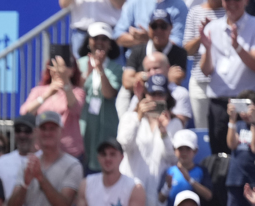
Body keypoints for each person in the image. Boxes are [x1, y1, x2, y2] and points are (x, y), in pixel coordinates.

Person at [6, 110, 84, 206]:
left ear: (61, 132)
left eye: (52, 129)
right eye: (43, 129)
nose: (47, 133)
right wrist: (25, 184)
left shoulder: (73, 165)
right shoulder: (27, 163)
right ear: (36, 132)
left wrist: (40, 177)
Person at [200, 0, 255, 155]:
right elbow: (206, 70)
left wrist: (237, 46)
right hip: (219, 103)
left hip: (247, 103)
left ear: (245, 1)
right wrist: (207, 48)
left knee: (248, 155)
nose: (232, 3)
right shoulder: (212, 28)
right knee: (220, 156)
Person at [119, 75, 183, 206]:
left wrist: (163, 131)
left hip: (157, 189)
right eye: (152, 94)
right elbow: (125, 144)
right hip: (132, 184)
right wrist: (138, 117)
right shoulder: (130, 117)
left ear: (167, 97)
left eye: (160, 95)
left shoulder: (174, 123)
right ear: (144, 95)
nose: (155, 99)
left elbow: (172, 158)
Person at [20, 54, 87, 162]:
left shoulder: (77, 92)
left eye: (65, 66)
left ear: (73, 70)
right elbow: (25, 114)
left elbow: (75, 108)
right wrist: (47, 94)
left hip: (70, 154)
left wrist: (65, 83)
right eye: (55, 66)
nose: (60, 70)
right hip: (41, 152)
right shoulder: (38, 91)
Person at [80, 24, 124, 174]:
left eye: (104, 39)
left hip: (107, 127)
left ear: (110, 44)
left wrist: (100, 69)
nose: (100, 42)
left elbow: (108, 93)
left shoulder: (117, 69)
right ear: (88, 41)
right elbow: (76, 91)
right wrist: (87, 72)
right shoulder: (79, 64)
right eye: (95, 38)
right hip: (83, 126)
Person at [123, 10, 190, 99]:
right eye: (154, 26)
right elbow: (127, 82)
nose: (159, 30)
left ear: (171, 28)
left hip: (170, 103)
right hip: (141, 101)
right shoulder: (137, 50)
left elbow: (176, 79)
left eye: (163, 26)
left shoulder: (179, 53)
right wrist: (159, 75)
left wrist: (141, 76)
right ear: (149, 28)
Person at [227, 91, 255, 206]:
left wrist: (253, 123)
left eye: (248, 108)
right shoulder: (238, 126)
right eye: (241, 108)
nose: (244, 112)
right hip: (235, 179)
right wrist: (232, 120)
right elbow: (231, 144)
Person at [186, 0, 227, 129]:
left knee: (223, 130)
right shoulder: (195, 12)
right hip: (200, 83)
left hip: (225, 83)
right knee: (203, 131)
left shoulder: (230, 12)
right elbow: (187, 51)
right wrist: (202, 35)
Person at [161, 129, 212, 206]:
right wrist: (167, 187)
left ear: (195, 151)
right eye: (180, 149)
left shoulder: (202, 171)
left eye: (187, 149)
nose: (184, 153)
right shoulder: (169, 171)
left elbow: (208, 195)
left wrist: (190, 180)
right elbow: (161, 198)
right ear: (174, 150)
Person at [126, 52, 194, 127]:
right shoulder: (143, 92)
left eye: (156, 68)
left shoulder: (180, 92)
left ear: (168, 68)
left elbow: (181, 124)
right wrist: (140, 101)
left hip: (170, 134)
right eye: (148, 70)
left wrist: (165, 113)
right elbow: (129, 119)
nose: (152, 73)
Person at [115, 0, 188, 49]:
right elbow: (117, 37)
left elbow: (178, 45)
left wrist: (150, 39)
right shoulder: (135, 2)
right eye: (154, 26)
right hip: (136, 63)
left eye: (163, 26)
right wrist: (138, 39)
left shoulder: (180, 6)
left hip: (166, 64)